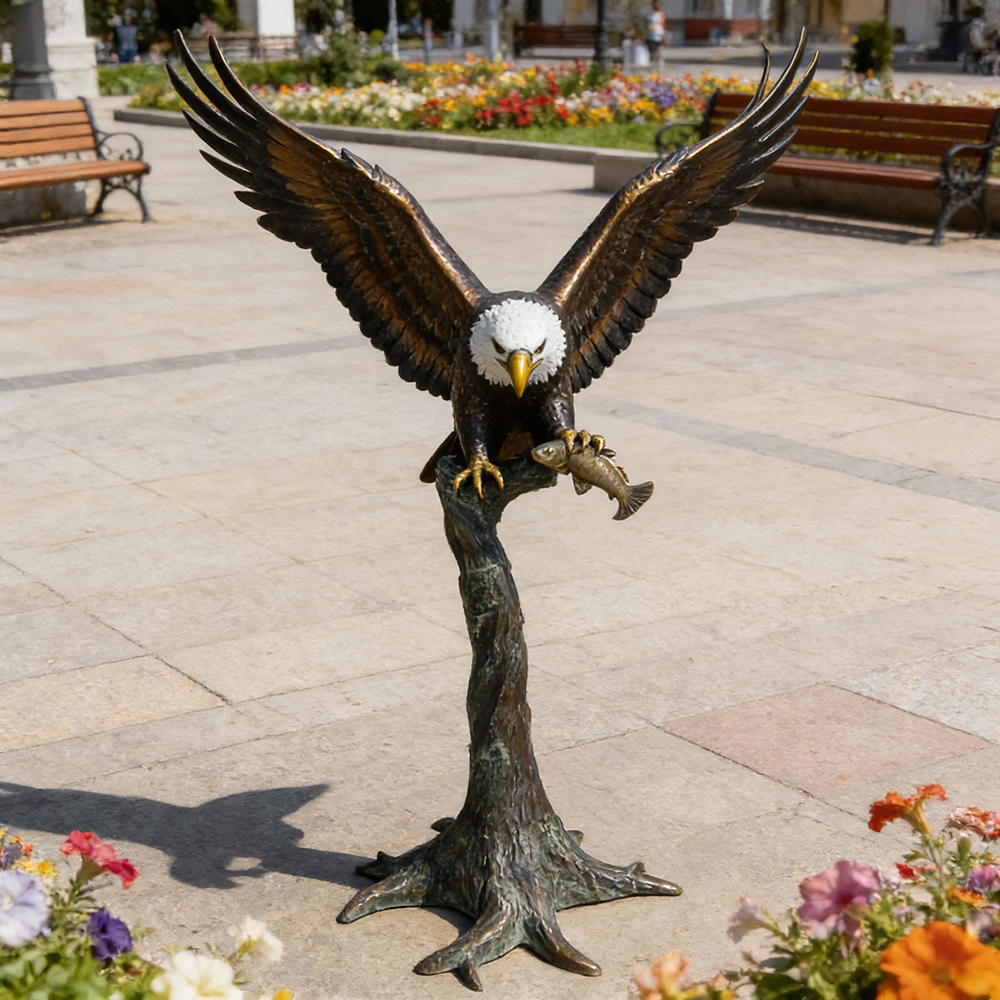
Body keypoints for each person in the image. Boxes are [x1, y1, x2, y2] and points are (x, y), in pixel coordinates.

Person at [645, 0, 665, 70]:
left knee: (658, 49)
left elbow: (662, 23)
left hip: (658, 33)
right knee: (652, 49)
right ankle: (653, 61)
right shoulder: (651, 14)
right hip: (651, 34)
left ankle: (659, 62)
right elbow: (648, 24)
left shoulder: (659, 13)